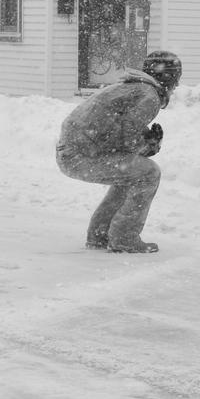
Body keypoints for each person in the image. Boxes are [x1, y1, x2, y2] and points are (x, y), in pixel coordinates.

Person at [55, 51, 182, 253]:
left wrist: (146, 142)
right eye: (176, 80)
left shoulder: (133, 88)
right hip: (80, 156)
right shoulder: (149, 96)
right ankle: (124, 237)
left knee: (132, 174)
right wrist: (147, 146)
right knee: (148, 174)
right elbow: (128, 135)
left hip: (73, 152)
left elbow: (119, 126)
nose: (176, 87)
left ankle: (100, 234)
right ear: (168, 78)